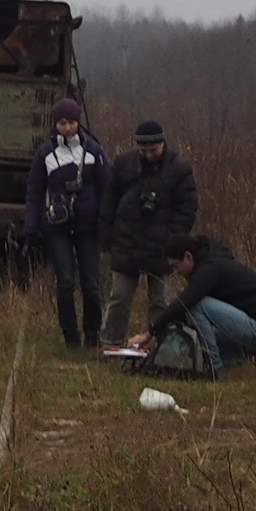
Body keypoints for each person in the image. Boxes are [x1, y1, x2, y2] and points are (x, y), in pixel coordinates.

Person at [132, 234, 256, 376]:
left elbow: (185, 302)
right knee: (197, 328)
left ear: (188, 257)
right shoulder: (211, 262)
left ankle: (213, 369)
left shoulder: (209, 269)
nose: (175, 273)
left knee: (198, 305)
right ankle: (239, 359)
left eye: (176, 266)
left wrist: (149, 333)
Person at [21, 97, 108, 352]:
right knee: (66, 282)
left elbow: (107, 189)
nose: (67, 128)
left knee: (91, 284)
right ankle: (71, 338)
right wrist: (31, 229)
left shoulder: (94, 151)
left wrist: (107, 224)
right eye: (62, 123)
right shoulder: (45, 154)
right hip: (56, 226)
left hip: (89, 226)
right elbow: (35, 193)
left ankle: (92, 334)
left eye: (70, 122)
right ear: (55, 124)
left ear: (77, 122)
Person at [101, 120, 197, 345]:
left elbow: (187, 209)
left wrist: (173, 240)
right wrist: (107, 240)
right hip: (127, 244)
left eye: (153, 150)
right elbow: (108, 203)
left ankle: (158, 345)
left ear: (163, 144)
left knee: (161, 301)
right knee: (119, 298)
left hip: (162, 249)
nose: (148, 155)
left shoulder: (179, 169)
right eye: (143, 151)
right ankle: (110, 343)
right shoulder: (124, 164)